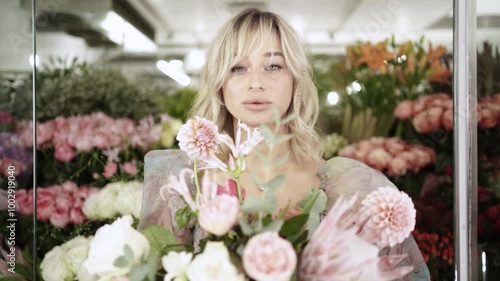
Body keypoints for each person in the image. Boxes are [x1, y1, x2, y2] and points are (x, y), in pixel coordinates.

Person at [138, 8, 430, 281]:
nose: (256, 83)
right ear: (219, 82)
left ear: (295, 80)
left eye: (273, 65)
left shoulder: (349, 187)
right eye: (238, 67)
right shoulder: (184, 181)